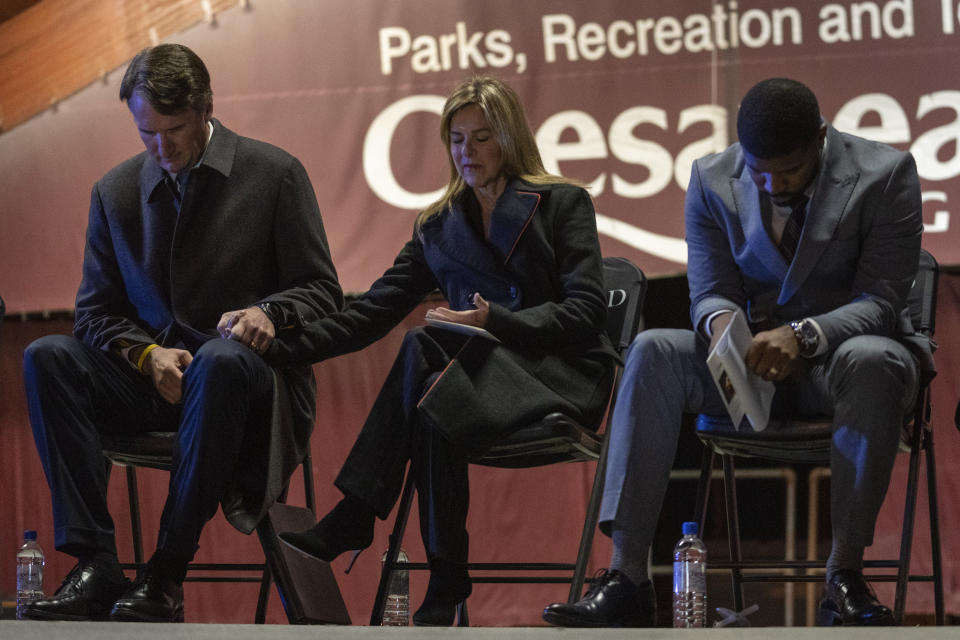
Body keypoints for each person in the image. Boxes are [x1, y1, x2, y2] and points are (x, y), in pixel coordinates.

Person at [543, 77, 923, 628]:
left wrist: (805, 336)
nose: (771, 184)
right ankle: (625, 578)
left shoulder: (884, 175)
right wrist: (726, 330)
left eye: (788, 171)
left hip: (841, 365)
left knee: (873, 357)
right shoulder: (710, 178)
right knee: (653, 351)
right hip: (752, 365)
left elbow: (882, 302)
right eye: (760, 170)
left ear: (819, 139)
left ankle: (844, 576)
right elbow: (711, 291)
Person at [268, 75, 617, 626]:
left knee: (427, 356)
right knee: (432, 385)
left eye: (482, 137)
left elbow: (586, 313)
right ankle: (446, 573)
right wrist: (283, 348)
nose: (467, 151)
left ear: (510, 137)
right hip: (476, 383)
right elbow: (368, 314)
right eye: (457, 139)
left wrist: (494, 320)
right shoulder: (438, 225)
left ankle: (361, 515)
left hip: (560, 375)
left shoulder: (561, 203)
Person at [22, 43, 342, 623]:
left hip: (246, 388)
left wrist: (268, 310)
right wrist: (146, 356)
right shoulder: (115, 191)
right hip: (155, 383)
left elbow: (322, 289)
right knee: (47, 356)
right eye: (146, 133)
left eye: (172, 130)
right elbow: (93, 314)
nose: (160, 148)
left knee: (219, 360)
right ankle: (96, 562)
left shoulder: (274, 173)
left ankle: (166, 571)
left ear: (205, 109)